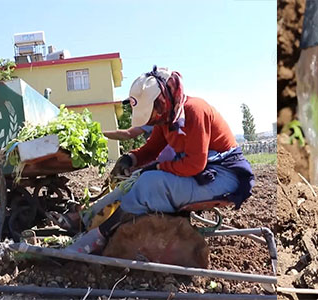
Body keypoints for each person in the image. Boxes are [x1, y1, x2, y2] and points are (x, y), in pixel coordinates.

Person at [63, 66, 255, 253]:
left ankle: (99, 236)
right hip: (203, 172)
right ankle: (85, 218)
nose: (152, 120)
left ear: (162, 102)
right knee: (134, 180)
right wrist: (130, 159)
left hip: (223, 176)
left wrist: (158, 166)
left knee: (149, 183)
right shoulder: (167, 118)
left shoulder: (195, 111)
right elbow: (151, 149)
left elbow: (195, 164)